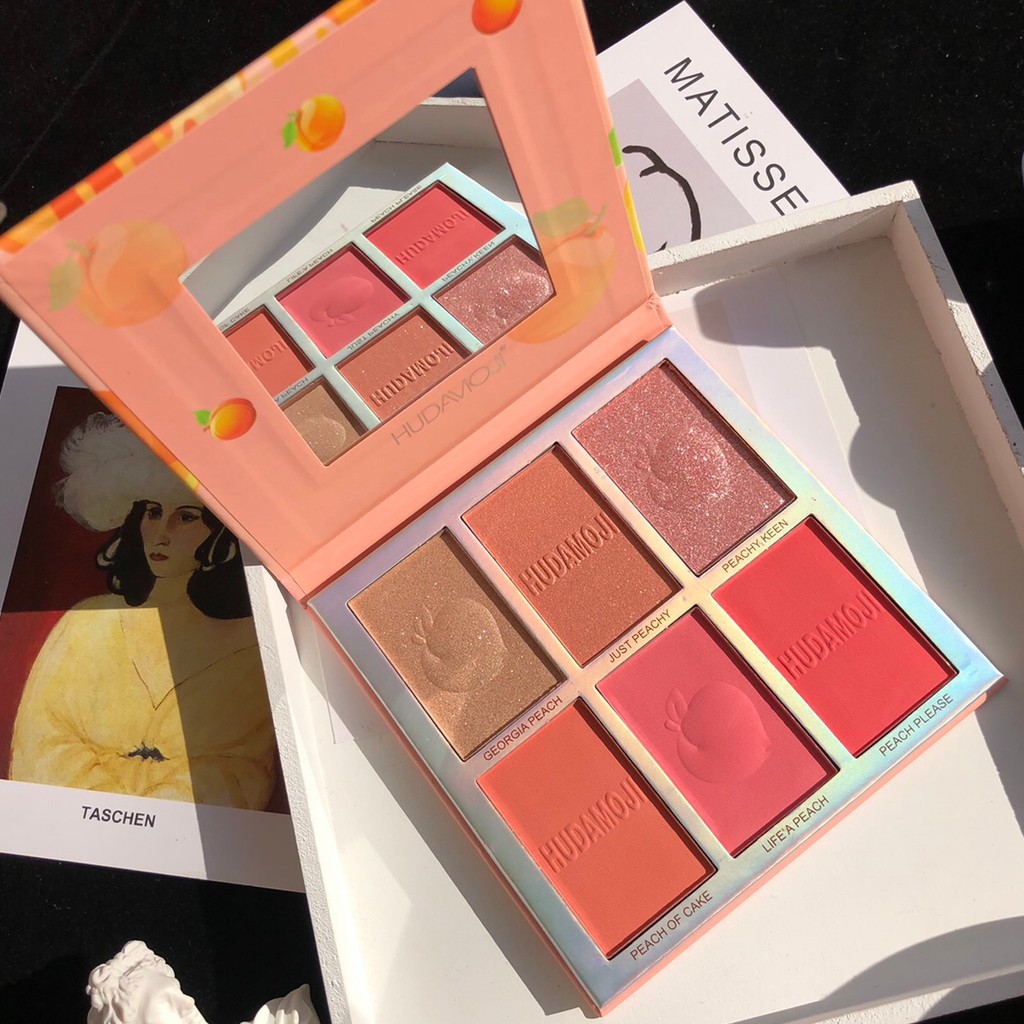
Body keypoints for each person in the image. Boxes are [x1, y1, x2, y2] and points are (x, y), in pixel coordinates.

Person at [9, 412, 276, 810]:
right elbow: (40, 747)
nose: (162, 533)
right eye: (152, 512)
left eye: (186, 517)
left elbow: (243, 775)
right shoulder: (87, 623)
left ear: (221, 533)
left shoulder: (253, 645)